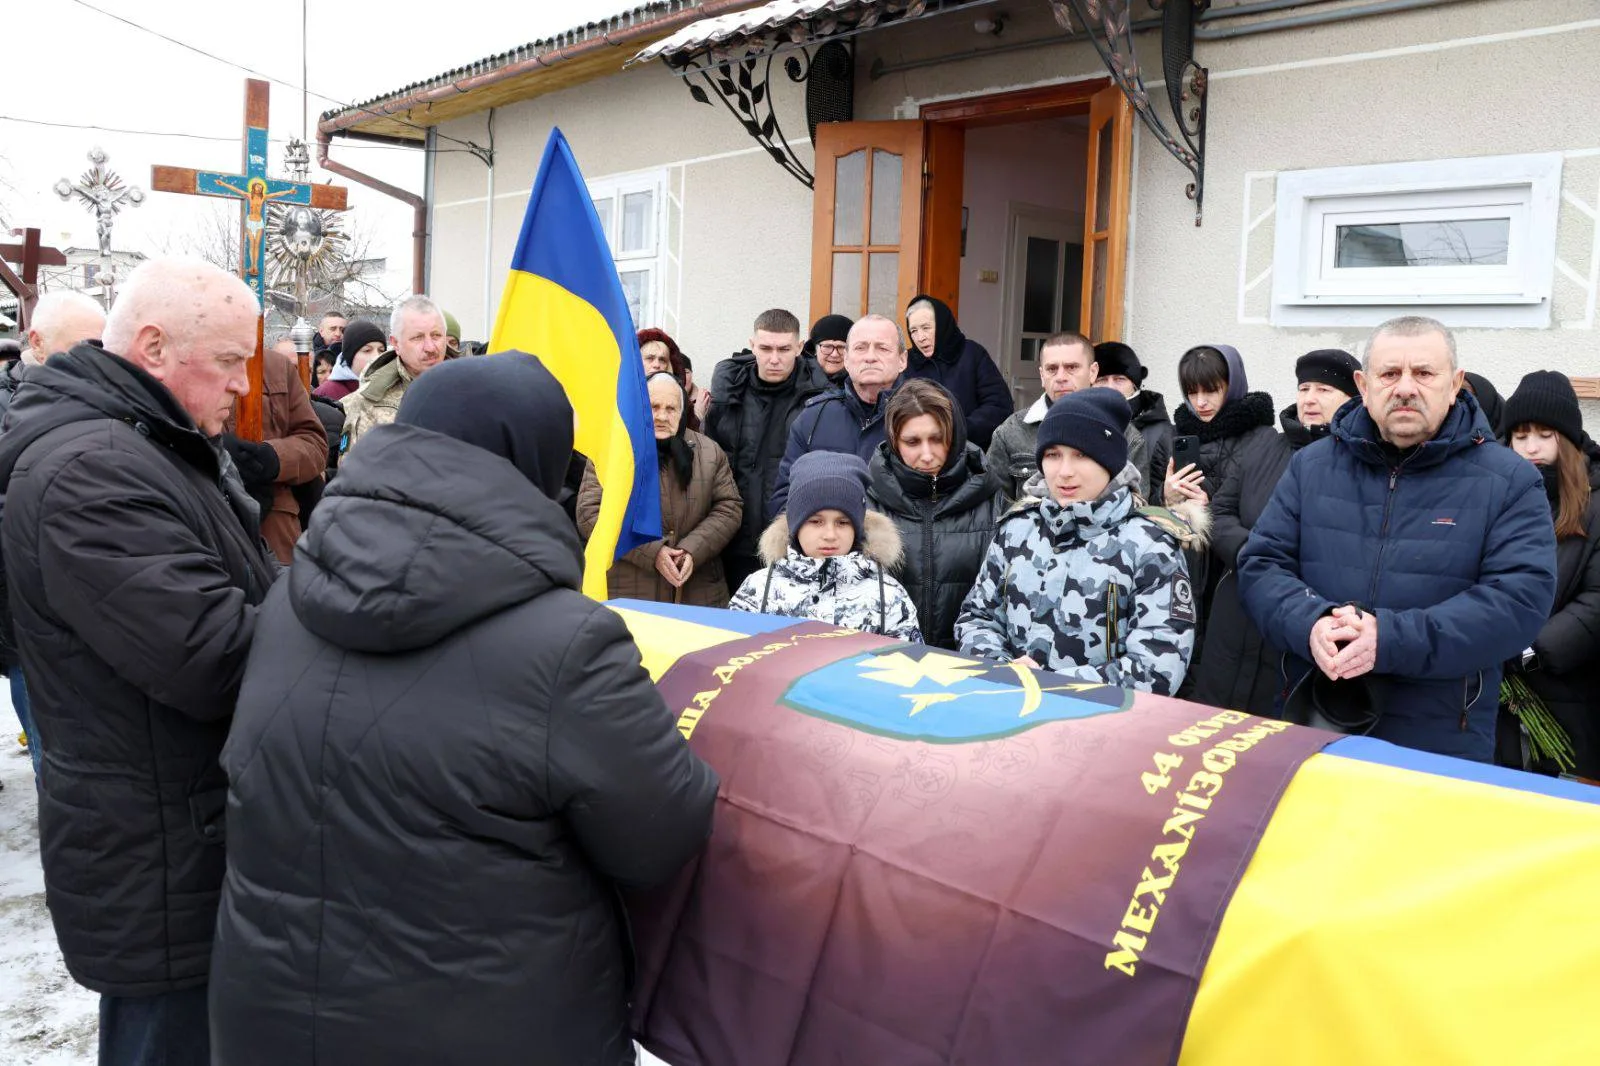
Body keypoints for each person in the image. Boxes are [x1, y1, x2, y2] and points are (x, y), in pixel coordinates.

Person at [209, 352, 718, 1066]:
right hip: (491, 1027)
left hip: (276, 1018)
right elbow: (660, 835)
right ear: (537, 465)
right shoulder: (567, 643)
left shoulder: (288, 601)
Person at [0, 258, 275, 1066]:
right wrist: (343, 617)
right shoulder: (93, 470)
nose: (241, 387)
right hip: (158, 853)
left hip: (184, 827)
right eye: (229, 361)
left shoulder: (147, 441)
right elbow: (213, 655)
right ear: (154, 347)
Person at [1239, 316, 1557, 762]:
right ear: (1363, 385)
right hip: (1317, 721)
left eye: (1424, 373)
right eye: (1389, 374)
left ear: (1455, 384)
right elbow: (1261, 564)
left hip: (1441, 739)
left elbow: (1518, 601)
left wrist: (1389, 639)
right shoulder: (1311, 467)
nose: (1405, 388)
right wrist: (1311, 622)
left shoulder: (1510, 481)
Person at [955, 388, 1201, 695]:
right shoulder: (1017, 530)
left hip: (1101, 719)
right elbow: (977, 618)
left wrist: (1048, 685)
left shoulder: (1151, 545)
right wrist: (1003, 670)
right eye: (1053, 455)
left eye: (1081, 455)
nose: (1065, 472)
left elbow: (1157, 666)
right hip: (1009, 706)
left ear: (1110, 461)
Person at [1191, 349, 1359, 717]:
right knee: (1211, 721)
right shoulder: (1266, 445)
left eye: (1324, 390)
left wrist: (1277, 570)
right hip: (1236, 606)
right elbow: (1219, 512)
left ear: (1354, 399)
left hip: (1299, 614)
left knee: (1276, 727)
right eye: (1304, 388)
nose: (1309, 399)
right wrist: (1253, 556)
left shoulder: (1358, 461)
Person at [0, 289, 105, 784]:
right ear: (37, 342)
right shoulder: (8, 404)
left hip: (93, 596)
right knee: (55, 752)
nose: (93, 358)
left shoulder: (106, 399)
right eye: (80, 346)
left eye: (101, 346)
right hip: (24, 599)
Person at [1495, 371, 1600, 779]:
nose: (1531, 447)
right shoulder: (1496, 493)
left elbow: (1596, 599)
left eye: (1544, 435)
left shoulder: (1593, 501)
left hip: (1568, 685)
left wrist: (1531, 649)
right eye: (1520, 436)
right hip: (1498, 687)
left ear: (1568, 440)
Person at [577, 371, 741, 606]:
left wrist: (692, 550)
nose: (662, 416)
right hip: (629, 591)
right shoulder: (613, 450)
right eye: (654, 407)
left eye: (671, 408)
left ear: (683, 411)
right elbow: (590, 513)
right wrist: (652, 552)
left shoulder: (709, 452)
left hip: (697, 591)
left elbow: (729, 508)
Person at [867, 379, 1007, 649]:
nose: (927, 455)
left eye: (937, 439)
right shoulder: (868, 501)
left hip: (970, 661)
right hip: (889, 662)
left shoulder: (992, 499)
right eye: (912, 442)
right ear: (894, 441)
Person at [731, 451, 921, 641]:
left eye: (843, 523)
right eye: (816, 521)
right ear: (796, 524)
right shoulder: (759, 590)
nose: (830, 535)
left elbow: (907, 658)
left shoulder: (888, 596)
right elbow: (731, 651)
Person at [703, 309, 826, 590]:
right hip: (731, 539)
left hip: (792, 540)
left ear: (799, 347)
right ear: (752, 345)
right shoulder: (728, 393)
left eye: (784, 349)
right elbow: (712, 461)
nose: (774, 358)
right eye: (766, 348)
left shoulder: (820, 398)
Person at [770, 314, 907, 518]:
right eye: (860, 348)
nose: (870, 357)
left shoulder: (922, 416)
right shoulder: (813, 417)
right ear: (847, 360)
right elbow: (785, 498)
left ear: (902, 360)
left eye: (882, 348)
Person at [986, 332, 1147, 499]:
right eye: (1052, 369)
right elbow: (994, 505)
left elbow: (1136, 503)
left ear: (1093, 372)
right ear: (1042, 375)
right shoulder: (1011, 432)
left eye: (1072, 367)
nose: (1061, 377)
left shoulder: (1125, 435)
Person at [222, 337, 329, 565]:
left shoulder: (277, 367)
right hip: (209, 524)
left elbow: (315, 443)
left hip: (277, 531)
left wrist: (273, 458)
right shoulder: (177, 361)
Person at [903, 294, 1013, 448]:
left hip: (969, 450)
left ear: (942, 324)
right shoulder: (906, 362)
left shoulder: (972, 354)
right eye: (913, 331)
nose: (920, 337)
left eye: (926, 328)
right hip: (920, 451)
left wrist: (959, 430)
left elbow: (998, 406)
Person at [340, 295, 447, 452]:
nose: (430, 347)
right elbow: (354, 465)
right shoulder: (366, 402)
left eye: (436, 335)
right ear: (396, 343)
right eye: (418, 338)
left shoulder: (470, 389)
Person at [1095, 341, 1173, 498]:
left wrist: (1165, 497)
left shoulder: (1162, 433)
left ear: (1135, 384)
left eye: (1119, 379)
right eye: (1101, 379)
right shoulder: (1078, 425)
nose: (1110, 387)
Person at [638, 327, 702, 431]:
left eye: (662, 360)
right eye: (650, 358)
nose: (657, 365)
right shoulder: (621, 397)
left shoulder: (682, 401)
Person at [313, 317, 385, 402]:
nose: (376, 356)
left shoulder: (390, 387)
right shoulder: (326, 392)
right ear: (350, 355)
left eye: (381, 350)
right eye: (367, 350)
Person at [805, 313, 852, 386]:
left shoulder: (861, 384)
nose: (834, 354)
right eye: (827, 346)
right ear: (815, 349)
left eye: (841, 347)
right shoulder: (796, 379)